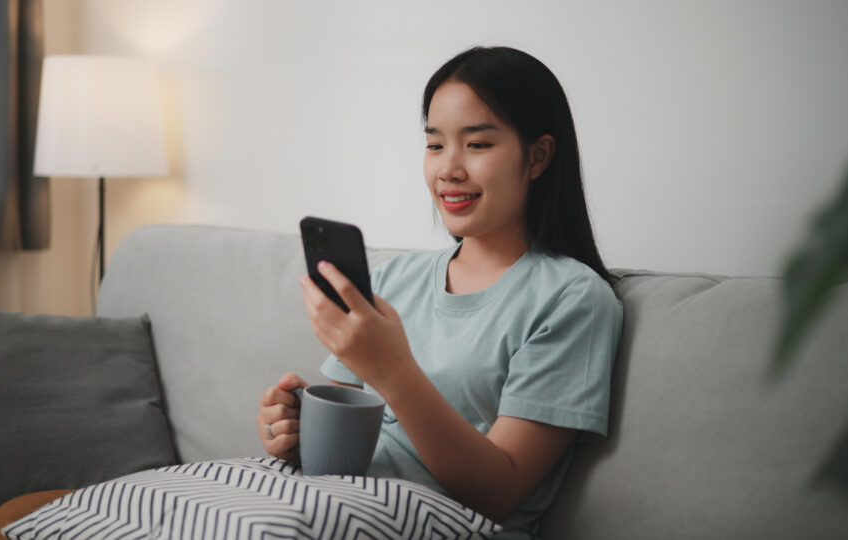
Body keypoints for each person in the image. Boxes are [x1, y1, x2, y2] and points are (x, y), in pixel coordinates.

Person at [256, 46, 623, 539]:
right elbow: (340, 454)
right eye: (434, 145)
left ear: (537, 157)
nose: (448, 169)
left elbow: (499, 493)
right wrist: (296, 429)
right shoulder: (393, 279)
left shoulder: (573, 298)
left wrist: (393, 371)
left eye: (477, 145)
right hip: (341, 505)